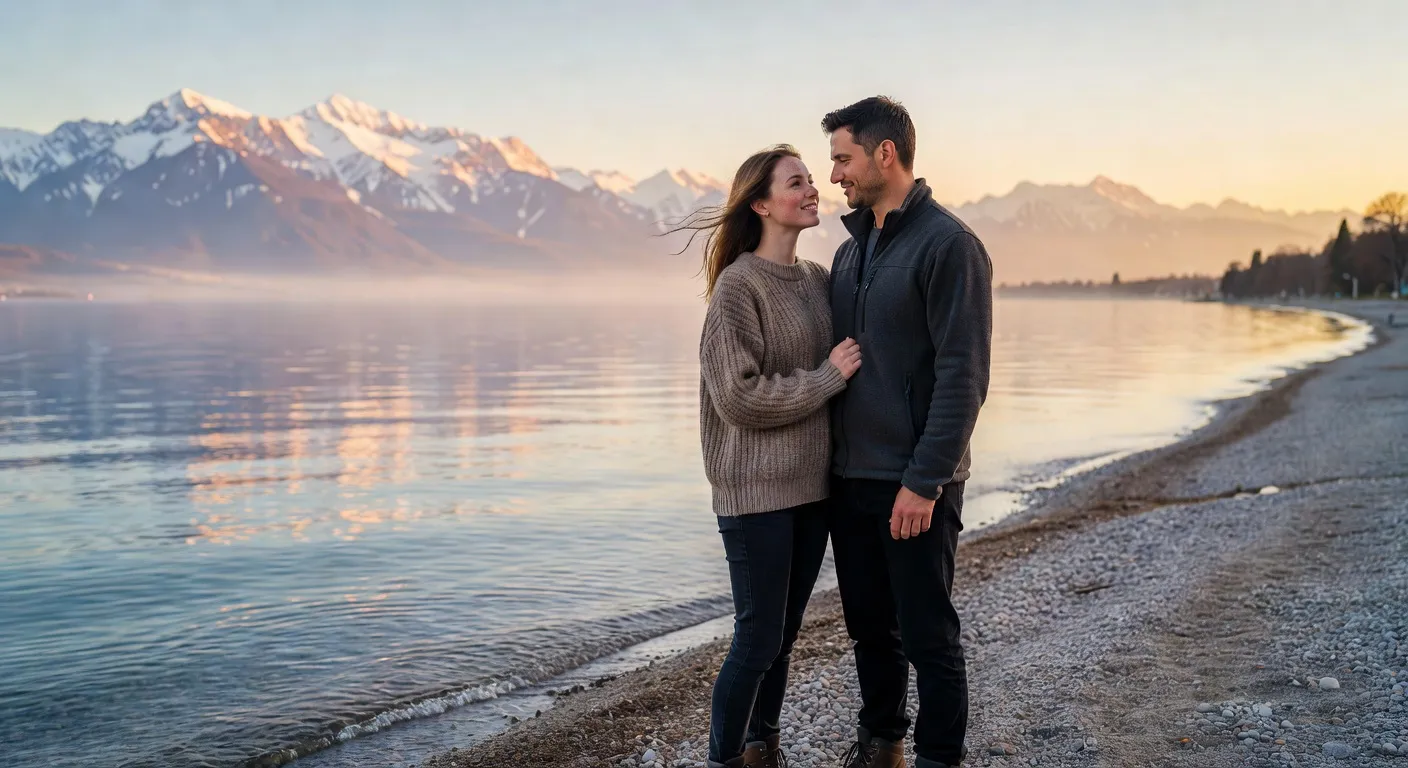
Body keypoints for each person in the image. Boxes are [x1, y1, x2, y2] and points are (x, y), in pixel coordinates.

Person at [822, 97, 994, 768]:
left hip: (917, 484)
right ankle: (883, 745)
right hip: (853, 478)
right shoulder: (849, 251)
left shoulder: (949, 246)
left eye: (843, 157)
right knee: (870, 631)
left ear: (884, 153)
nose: (835, 174)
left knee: (928, 636)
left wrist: (924, 482)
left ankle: (938, 758)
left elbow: (963, 377)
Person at [687, 144, 863, 768]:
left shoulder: (817, 282)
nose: (813, 189)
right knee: (757, 636)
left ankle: (765, 749)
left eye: (813, 179)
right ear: (761, 203)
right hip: (755, 494)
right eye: (797, 182)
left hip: (812, 491)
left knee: (782, 637)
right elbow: (738, 396)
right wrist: (824, 380)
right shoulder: (738, 287)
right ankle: (725, 759)